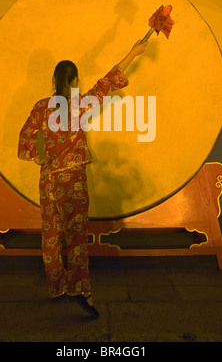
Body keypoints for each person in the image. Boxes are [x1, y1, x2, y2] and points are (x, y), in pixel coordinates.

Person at [18, 39, 148, 318]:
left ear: (54, 80)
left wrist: (36, 156)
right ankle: (79, 289)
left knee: (51, 236)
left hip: (50, 180)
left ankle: (57, 288)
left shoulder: (41, 107)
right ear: (75, 80)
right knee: (76, 236)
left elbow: (26, 135)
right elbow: (107, 82)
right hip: (74, 180)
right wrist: (133, 53)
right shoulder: (80, 104)